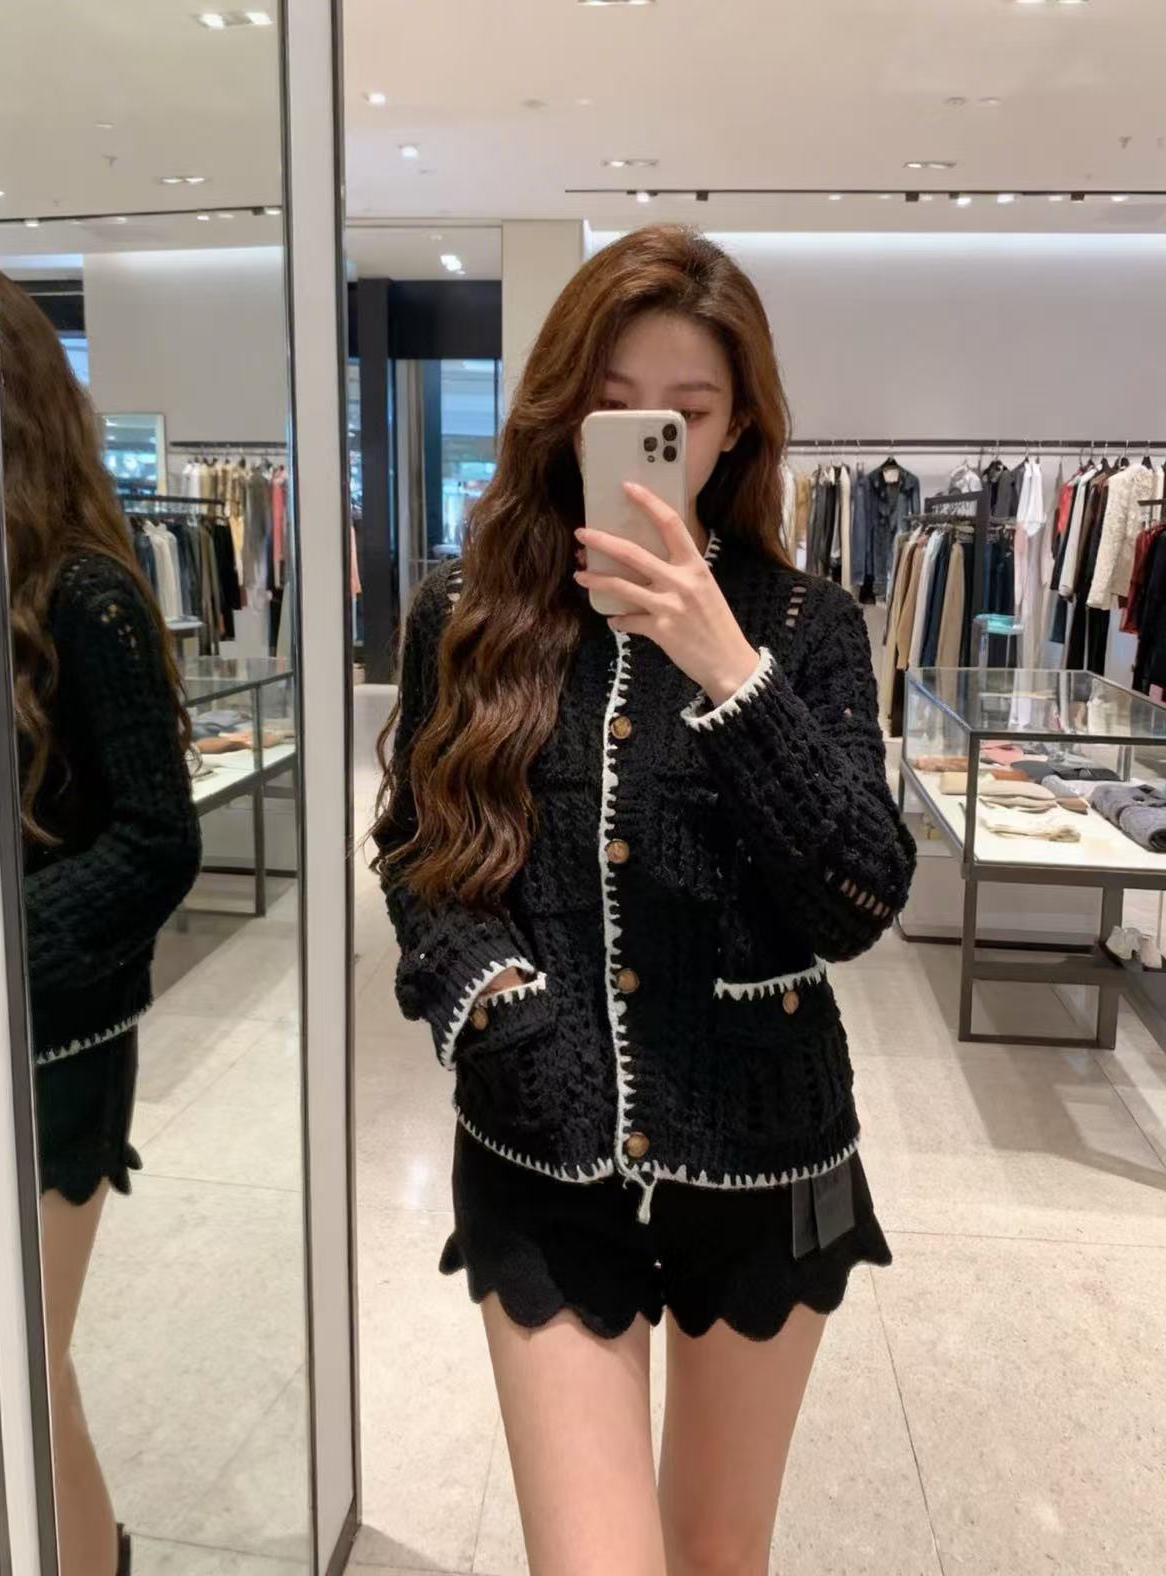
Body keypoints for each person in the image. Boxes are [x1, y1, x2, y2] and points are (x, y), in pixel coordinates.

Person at [368, 226, 916, 1576]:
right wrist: (501, 1016)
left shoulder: (805, 627)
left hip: (761, 1148)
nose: (645, 439)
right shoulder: (467, 612)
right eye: (613, 406)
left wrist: (726, 665)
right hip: (542, 1142)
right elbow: (422, 856)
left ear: (737, 432)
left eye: (687, 414)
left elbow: (859, 895)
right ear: (563, 411)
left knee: (720, 1557)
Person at [0, 273, 202, 1576]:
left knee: (22, 1359)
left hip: (56, 1041)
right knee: (6, 1362)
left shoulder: (88, 592)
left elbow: (157, 840)